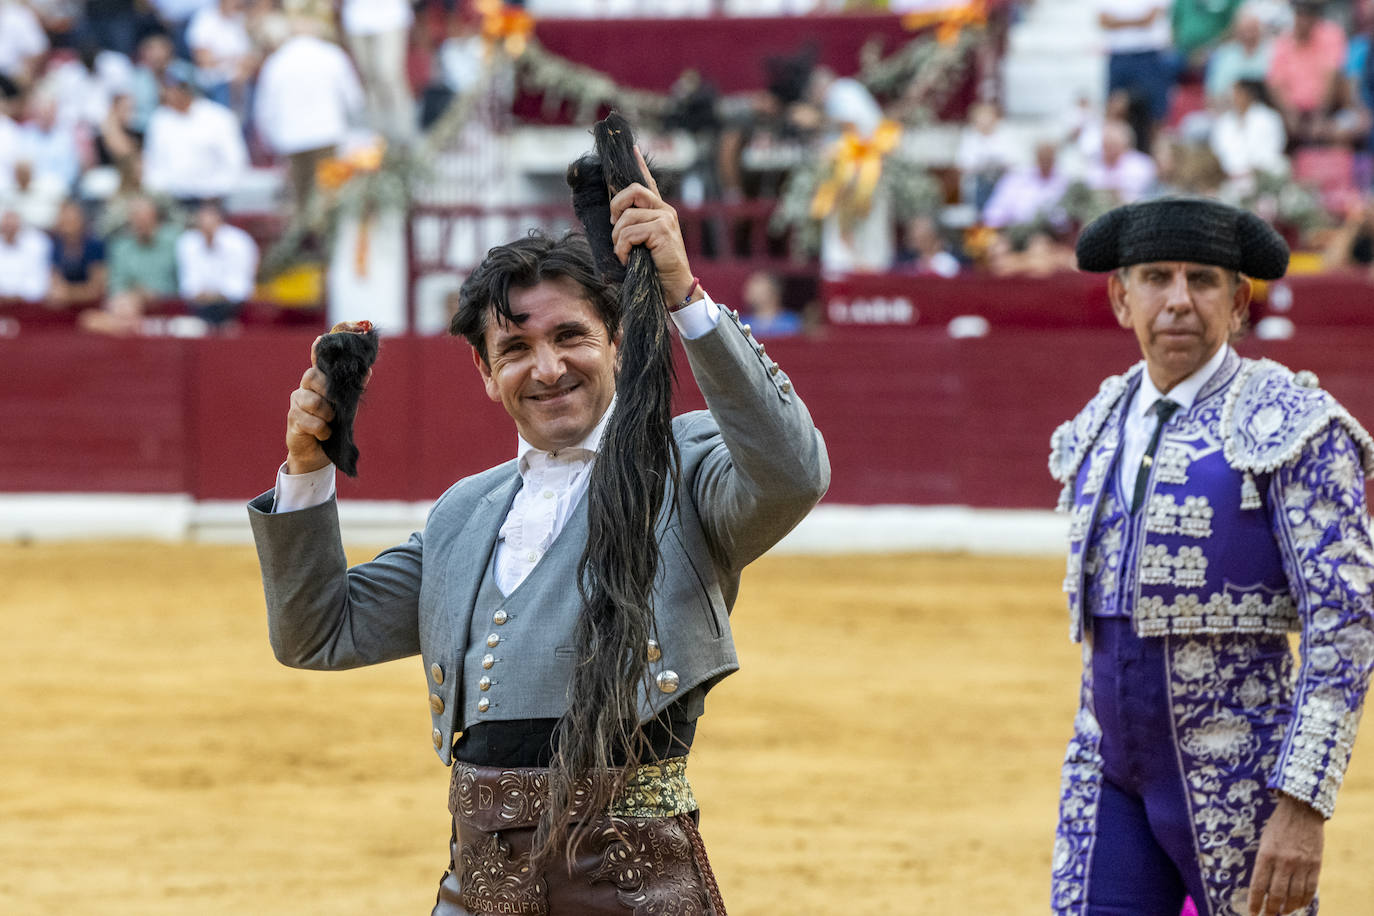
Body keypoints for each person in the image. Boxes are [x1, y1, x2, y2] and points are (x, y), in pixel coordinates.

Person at [246, 159, 829, 913]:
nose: (548, 368)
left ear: (618, 339)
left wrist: (684, 295)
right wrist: (306, 475)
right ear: (486, 372)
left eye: (570, 337)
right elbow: (318, 632)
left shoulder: (685, 465)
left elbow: (792, 472)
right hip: (479, 882)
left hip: (630, 884)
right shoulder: (465, 513)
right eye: (516, 349)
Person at [1048, 196, 1374, 916]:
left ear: (1239, 301)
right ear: (1119, 296)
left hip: (1241, 781)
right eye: (1157, 277)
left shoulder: (1293, 423)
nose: (1177, 301)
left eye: (1202, 280)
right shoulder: (1097, 423)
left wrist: (1303, 804)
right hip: (1105, 774)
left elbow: (1345, 627)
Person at [253, 14, 363, 217]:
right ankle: (325, 243)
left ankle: (305, 245)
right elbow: (353, 99)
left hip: (291, 140)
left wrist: (271, 143)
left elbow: (264, 110)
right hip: (327, 134)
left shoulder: (276, 62)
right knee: (328, 197)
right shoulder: (332, 55)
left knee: (301, 201)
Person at [142, 60, 248, 205]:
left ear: (186, 88)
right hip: (171, 201)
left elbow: (236, 162)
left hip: (211, 200)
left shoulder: (218, 118)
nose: (165, 92)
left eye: (171, 87)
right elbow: (152, 164)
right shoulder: (160, 120)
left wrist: (214, 193)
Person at [81, 194, 179, 335]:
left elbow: (181, 282)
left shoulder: (173, 242)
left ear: (156, 218)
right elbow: (115, 284)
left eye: (145, 218)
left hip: (167, 310)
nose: (141, 223)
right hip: (128, 308)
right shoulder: (120, 247)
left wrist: (152, 295)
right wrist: (133, 297)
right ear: (130, 221)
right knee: (89, 319)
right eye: (136, 218)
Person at [1266, 0, 1347, 143]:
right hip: (1292, 112)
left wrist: (1320, 116)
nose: (1303, 21)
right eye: (1300, 15)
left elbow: (1331, 76)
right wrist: (1289, 114)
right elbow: (1275, 83)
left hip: (1328, 110)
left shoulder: (1330, 35)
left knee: (1340, 132)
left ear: (1315, 18)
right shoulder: (1284, 41)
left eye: (1307, 16)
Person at [175, 199, 257, 329]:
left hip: (233, 309)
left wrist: (217, 295)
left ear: (221, 221)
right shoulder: (188, 242)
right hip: (198, 308)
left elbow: (241, 286)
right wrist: (202, 295)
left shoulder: (239, 242)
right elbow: (188, 285)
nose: (207, 226)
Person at [46, 199, 106, 309]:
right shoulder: (56, 245)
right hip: (63, 307)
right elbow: (55, 286)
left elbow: (96, 289)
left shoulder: (95, 246)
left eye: (71, 221)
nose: (67, 226)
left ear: (82, 222)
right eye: (64, 221)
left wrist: (68, 293)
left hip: (91, 307)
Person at [0, 206, 51, 302]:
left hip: (28, 304)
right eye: (6, 223)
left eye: (13, 222)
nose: (9, 226)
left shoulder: (37, 243)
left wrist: (17, 296)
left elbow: (39, 282)